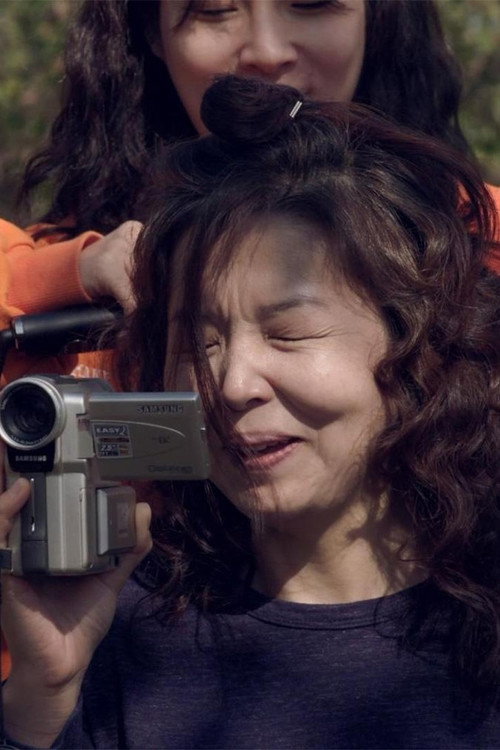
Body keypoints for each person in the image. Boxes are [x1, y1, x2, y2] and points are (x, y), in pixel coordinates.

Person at [2, 75, 499, 748]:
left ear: (418, 338)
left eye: (288, 334)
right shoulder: (128, 634)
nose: (233, 384)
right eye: (198, 342)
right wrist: (44, 692)